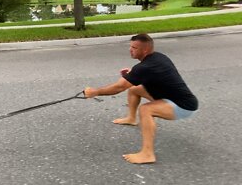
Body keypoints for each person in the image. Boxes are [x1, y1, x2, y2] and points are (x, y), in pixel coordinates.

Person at [83, 33, 198, 164]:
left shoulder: (145, 67)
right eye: (130, 46)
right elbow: (149, 73)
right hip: (167, 96)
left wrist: (95, 92)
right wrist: (133, 73)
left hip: (184, 106)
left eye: (134, 48)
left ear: (145, 50)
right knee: (134, 89)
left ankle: (147, 154)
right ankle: (131, 118)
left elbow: (119, 87)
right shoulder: (158, 57)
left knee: (146, 110)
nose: (130, 50)